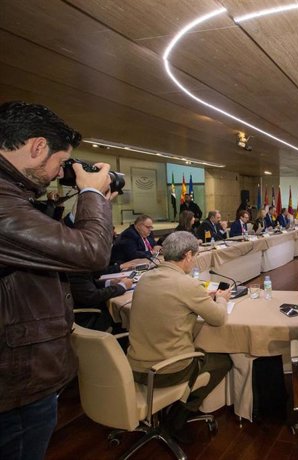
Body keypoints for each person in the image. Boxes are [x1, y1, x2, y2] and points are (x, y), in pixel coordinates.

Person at [0, 101, 114, 459]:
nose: (59, 172)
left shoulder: (15, 197)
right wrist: (92, 194)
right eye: (61, 162)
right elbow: (92, 252)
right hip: (17, 386)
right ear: (37, 147)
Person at [127, 231, 233, 443]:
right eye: (194, 256)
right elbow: (219, 318)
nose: (194, 262)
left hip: (134, 366)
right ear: (187, 255)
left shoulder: (146, 278)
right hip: (167, 371)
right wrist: (221, 299)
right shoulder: (188, 284)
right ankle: (180, 415)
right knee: (222, 361)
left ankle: (173, 407)